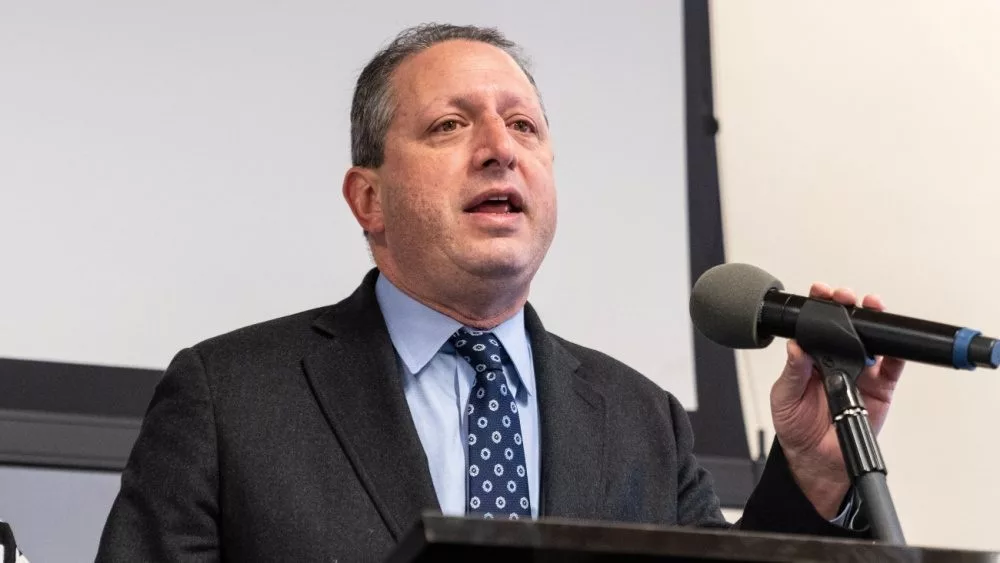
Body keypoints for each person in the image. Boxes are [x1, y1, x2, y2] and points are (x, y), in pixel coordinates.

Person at [96, 23, 905, 561]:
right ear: (367, 200)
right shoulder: (229, 400)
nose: (499, 150)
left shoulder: (640, 422)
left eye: (524, 126)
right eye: (451, 125)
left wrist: (813, 471)